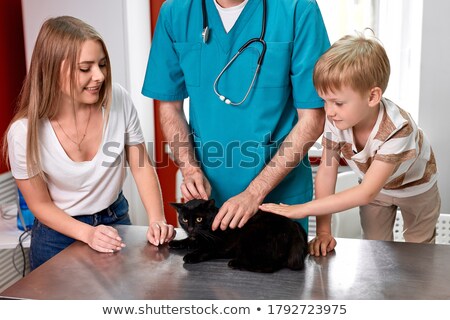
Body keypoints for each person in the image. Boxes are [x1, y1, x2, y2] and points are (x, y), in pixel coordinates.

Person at [2, 16, 175, 270]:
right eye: (85, 68)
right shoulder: (24, 132)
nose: (99, 76)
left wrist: (157, 218)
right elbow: (40, 205)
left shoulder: (118, 99)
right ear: (51, 70)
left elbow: (140, 164)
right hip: (56, 236)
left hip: (116, 219)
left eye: (102, 64)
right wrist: (87, 233)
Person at [141, 0, 330, 233]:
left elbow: (313, 118)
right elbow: (170, 107)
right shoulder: (176, 12)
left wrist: (254, 192)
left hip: (277, 202)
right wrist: (190, 170)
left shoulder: (297, 9)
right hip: (209, 204)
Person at [260, 31, 441, 256]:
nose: (329, 111)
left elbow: (365, 193)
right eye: (324, 101)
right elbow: (327, 173)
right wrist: (323, 231)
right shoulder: (336, 121)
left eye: (337, 102)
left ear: (373, 97)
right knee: (376, 249)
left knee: (419, 251)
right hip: (377, 191)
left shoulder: (398, 129)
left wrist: (302, 209)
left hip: (417, 188)